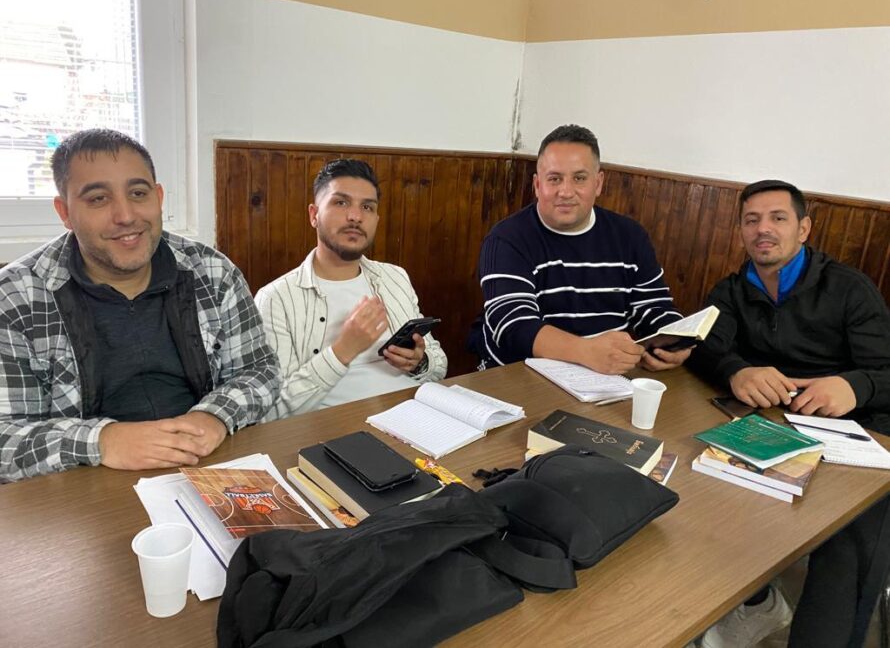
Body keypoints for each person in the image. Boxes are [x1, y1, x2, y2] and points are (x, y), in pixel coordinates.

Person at [0, 129, 280, 482]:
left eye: (138, 193)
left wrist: (214, 416)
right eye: (98, 199)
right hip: (83, 488)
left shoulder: (212, 270)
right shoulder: (15, 296)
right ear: (65, 212)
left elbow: (260, 370)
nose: (126, 215)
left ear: (159, 197)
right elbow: (5, 438)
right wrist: (102, 441)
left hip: (209, 465)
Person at [690, 179, 890, 648]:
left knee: (845, 543)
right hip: (773, 430)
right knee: (704, 490)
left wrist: (854, 386)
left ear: (803, 229)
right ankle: (755, 605)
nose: (764, 230)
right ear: (740, 231)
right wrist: (735, 370)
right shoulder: (733, 290)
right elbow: (702, 348)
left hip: (859, 435)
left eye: (778, 218)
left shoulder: (849, 289)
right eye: (751, 220)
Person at [469, 124, 689, 375]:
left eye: (579, 178)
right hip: (519, 376)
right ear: (537, 185)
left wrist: (676, 341)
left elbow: (654, 307)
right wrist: (586, 352)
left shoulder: (630, 236)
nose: (566, 191)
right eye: (554, 179)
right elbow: (513, 326)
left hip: (607, 378)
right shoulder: (506, 239)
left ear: (598, 183)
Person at [255, 158, 446, 419]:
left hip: (415, 415)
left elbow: (439, 364)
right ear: (314, 215)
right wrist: (343, 350)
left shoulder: (394, 277)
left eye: (367, 207)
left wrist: (419, 362)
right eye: (340, 202)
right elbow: (273, 410)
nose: (356, 216)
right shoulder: (276, 298)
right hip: (339, 430)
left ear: (376, 219)